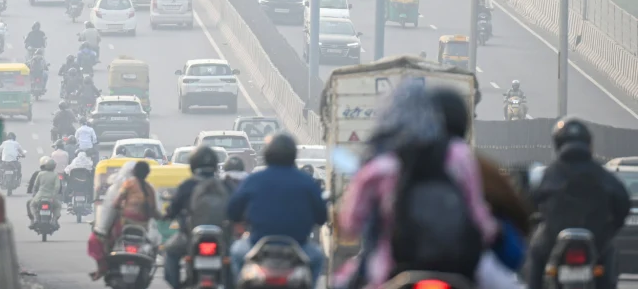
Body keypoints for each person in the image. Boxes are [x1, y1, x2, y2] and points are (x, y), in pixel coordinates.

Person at [335, 80, 497, 289]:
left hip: (390, 270)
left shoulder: (381, 166)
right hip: (458, 267)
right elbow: (479, 217)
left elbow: (351, 223)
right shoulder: (460, 155)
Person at [429, 87, 532, 287]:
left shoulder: (396, 162)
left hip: (400, 270)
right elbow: (512, 251)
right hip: (467, 267)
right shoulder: (475, 166)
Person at [528, 117, 630, 289]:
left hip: (552, 240)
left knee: (535, 253)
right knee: (610, 253)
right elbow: (623, 202)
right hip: (597, 240)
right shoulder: (602, 174)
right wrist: (609, 228)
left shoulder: (549, 174)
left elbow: (530, 201)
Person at [228, 133, 327, 286]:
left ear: (267, 154)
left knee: (236, 252)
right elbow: (322, 216)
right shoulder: (306, 181)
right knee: (318, 258)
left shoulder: (254, 179)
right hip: (299, 247)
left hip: (257, 245)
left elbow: (232, 211)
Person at [163, 146, 224, 289]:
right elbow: (235, 210)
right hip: (221, 238)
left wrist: (168, 215)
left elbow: (173, 209)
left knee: (170, 252)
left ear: (193, 164)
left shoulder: (187, 185)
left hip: (189, 236)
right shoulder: (223, 184)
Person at [26, 156, 63, 228]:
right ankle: (54, 220)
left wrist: (34, 194)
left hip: (39, 196)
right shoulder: (55, 175)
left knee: (32, 205)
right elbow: (57, 187)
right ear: (54, 167)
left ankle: (36, 218)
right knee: (58, 206)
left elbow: (35, 185)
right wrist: (54, 196)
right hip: (51, 197)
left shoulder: (40, 174)